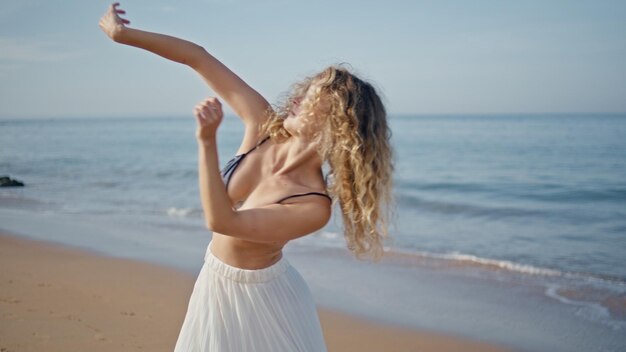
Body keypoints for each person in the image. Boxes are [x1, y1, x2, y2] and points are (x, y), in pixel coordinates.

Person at [99, 2, 395, 351]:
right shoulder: (263, 126)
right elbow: (197, 57)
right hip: (215, 282)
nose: (297, 99)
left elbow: (222, 220)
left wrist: (207, 141)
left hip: (265, 305)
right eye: (304, 93)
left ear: (337, 125)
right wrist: (124, 35)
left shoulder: (312, 205)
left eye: (312, 100)